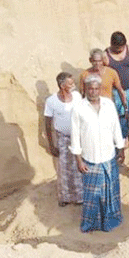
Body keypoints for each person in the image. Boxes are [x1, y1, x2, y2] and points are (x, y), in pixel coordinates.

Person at [70, 75, 125, 233]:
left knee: (110, 191)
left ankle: (111, 220)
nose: (93, 91)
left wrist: (121, 148)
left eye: (96, 88)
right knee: (92, 194)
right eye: (90, 89)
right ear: (85, 89)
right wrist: (79, 160)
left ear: (100, 89)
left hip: (109, 156)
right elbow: (75, 136)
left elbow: (116, 128)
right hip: (90, 158)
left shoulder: (109, 104)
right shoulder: (79, 108)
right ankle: (91, 224)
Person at [44, 72, 84, 207]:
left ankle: (79, 196)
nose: (73, 85)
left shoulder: (77, 97)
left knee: (78, 166)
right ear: (62, 86)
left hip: (78, 137)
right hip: (62, 137)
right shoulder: (51, 101)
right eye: (70, 83)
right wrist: (51, 145)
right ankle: (65, 197)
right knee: (63, 168)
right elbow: (47, 123)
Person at [80, 49, 126, 127]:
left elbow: (120, 91)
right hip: (91, 109)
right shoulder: (85, 75)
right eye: (94, 61)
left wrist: (125, 108)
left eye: (99, 61)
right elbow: (82, 94)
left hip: (108, 108)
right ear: (90, 60)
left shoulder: (111, 72)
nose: (97, 63)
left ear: (103, 61)